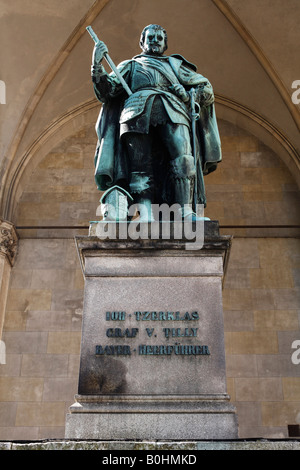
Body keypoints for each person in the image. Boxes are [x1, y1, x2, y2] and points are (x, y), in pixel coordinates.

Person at [91, 24, 221, 221]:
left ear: (165, 44)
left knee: (183, 158)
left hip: (173, 110)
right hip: (136, 111)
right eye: (150, 37)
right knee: (139, 166)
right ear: (142, 42)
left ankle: (185, 212)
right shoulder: (130, 65)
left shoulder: (176, 66)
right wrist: (96, 65)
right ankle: (144, 214)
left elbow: (206, 88)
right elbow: (107, 90)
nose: (154, 41)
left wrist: (187, 95)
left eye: (159, 38)